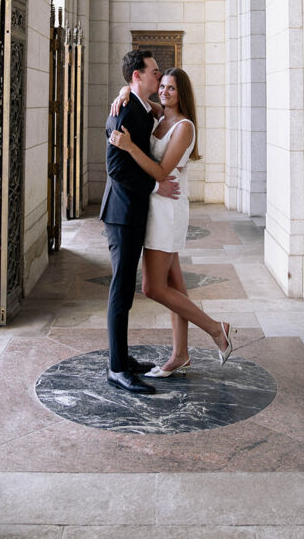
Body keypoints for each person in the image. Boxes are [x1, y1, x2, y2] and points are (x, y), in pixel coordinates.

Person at [109, 67, 233, 377]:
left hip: (168, 207)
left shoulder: (184, 127)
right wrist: (123, 92)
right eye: (162, 86)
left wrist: (130, 147)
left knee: (153, 287)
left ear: (182, 94)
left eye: (171, 88)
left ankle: (216, 329)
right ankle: (181, 355)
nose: (164, 92)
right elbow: (138, 97)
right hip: (155, 204)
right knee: (175, 284)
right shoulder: (160, 114)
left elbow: (162, 172)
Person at [100, 50, 180, 395]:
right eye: (154, 72)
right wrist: (156, 186)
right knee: (121, 292)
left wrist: (123, 91)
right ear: (137, 76)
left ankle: (122, 358)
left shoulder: (138, 106)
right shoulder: (124, 110)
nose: (158, 78)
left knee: (125, 292)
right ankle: (117, 369)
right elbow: (116, 168)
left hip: (132, 212)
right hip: (122, 214)